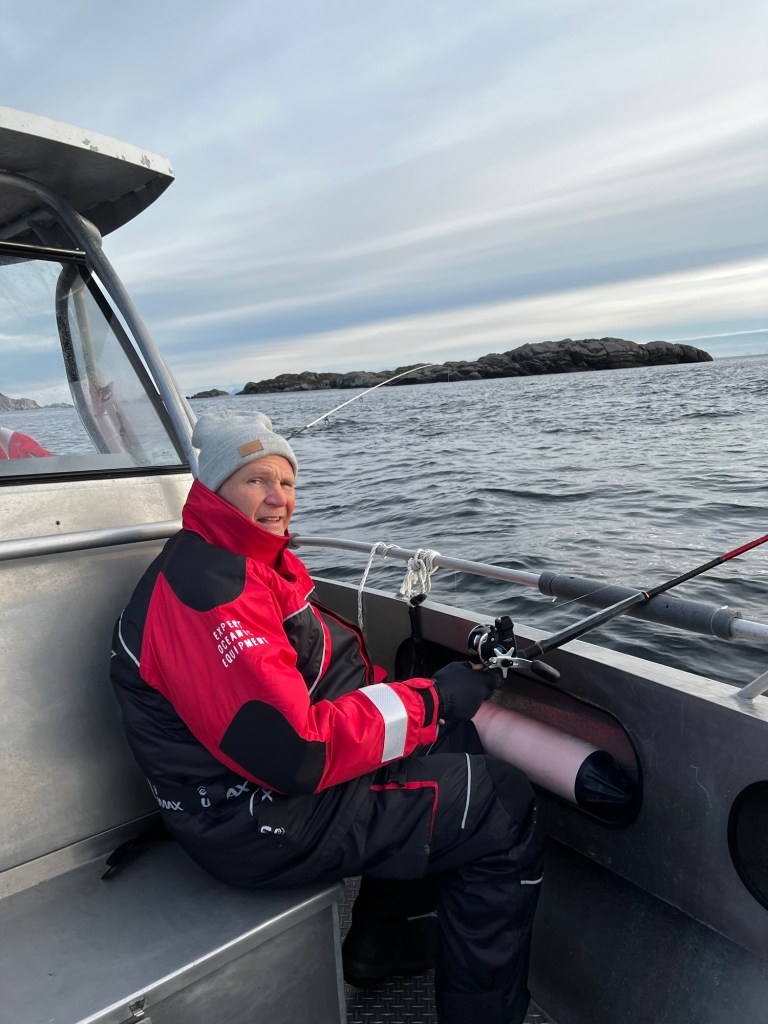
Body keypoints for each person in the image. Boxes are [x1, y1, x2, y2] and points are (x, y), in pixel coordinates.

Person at [110, 410, 543, 1024]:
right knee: (499, 803)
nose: (277, 498)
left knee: (452, 738)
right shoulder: (212, 593)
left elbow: (318, 684)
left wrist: (430, 702)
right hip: (252, 818)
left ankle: (378, 945)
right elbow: (296, 754)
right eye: (256, 480)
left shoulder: (239, 561)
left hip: (252, 795)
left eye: (286, 482)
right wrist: (434, 699)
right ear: (215, 489)